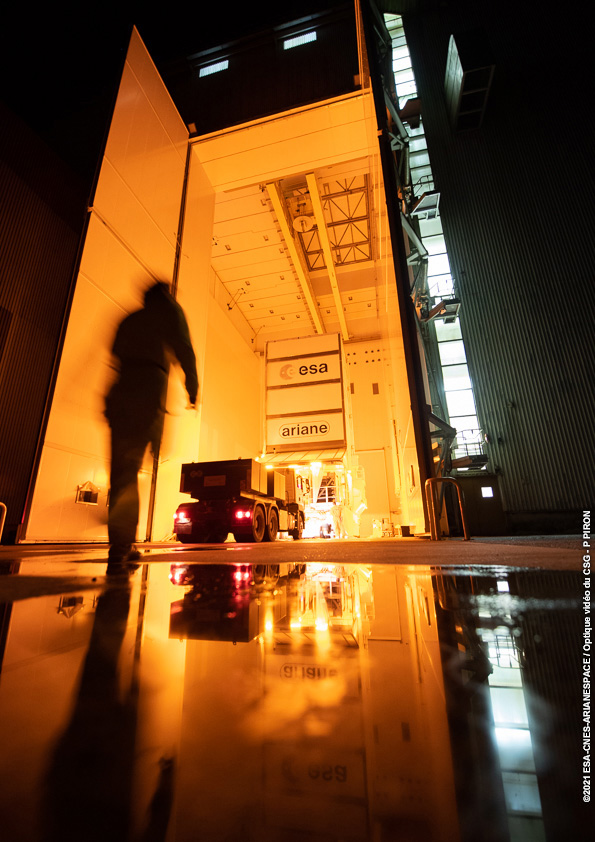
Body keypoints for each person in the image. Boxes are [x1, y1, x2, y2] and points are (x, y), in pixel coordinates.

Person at [104, 282, 198, 574]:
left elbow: (115, 352)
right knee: (131, 470)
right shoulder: (170, 312)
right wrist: (192, 388)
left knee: (121, 475)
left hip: (120, 394)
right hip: (147, 393)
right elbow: (184, 348)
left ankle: (120, 546)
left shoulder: (130, 319)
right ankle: (122, 549)